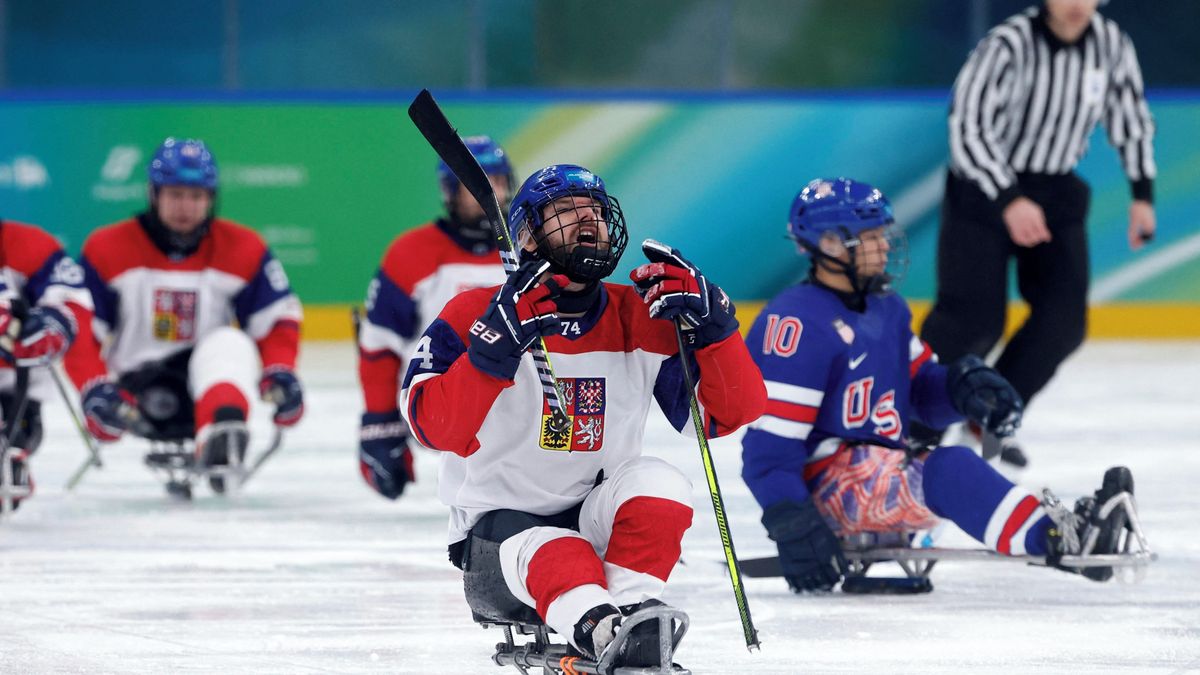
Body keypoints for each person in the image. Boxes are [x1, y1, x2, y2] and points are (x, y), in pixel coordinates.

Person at [399, 164, 766, 667]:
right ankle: (601, 626)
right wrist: (492, 351)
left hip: (595, 526)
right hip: (497, 545)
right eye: (566, 212)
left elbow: (727, 416)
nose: (587, 220)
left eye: (593, 209)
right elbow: (432, 428)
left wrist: (718, 329)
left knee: (661, 483)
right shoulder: (473, 314)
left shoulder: (638, 316)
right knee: (556, 548)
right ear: (526, 235)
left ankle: (629, 612)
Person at [741, 178, 1135, 593]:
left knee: (950, 467)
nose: (884, 246)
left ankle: (1058, 531)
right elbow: (769, 450)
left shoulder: (886, 306)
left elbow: (919, 391)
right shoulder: (795, 322)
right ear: (831, 244)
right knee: (949, 467)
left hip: (881, 466)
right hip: (824, 488)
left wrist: (962, 389)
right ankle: (1058, 538)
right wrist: (793, 522)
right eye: (871, 237)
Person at [919, 0, 1157, 466]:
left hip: (1055, 189)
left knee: (1063, 324)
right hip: (984, 189)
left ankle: (989, 413)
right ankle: (914, 428)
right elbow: (967, 126)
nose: (1075, 4)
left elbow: (1130, 119)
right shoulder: (1006, 45)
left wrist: (1142, 195)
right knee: (972, 322)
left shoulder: (1112, 45)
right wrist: (1008, 199)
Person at [77, 138, 304, 490]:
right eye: (175, 194)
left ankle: (220, 431)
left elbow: (276, 319)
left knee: (231, 340)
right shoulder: (107, 247)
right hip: (136, 393)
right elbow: (81, 328)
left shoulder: (243, 247)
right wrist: (93, 387)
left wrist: (280, 371)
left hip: (207, 380)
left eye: (197, 196)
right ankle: (219, 435)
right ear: (154, 194)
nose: (186, 206)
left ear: (211, 199)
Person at [356, 136, 512, 500]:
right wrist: (379, 424)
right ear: (450, 192)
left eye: (497, 181)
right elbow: (379, 345)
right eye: (475, 184)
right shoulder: (411, 253)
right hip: (439, 402)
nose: (489, 192)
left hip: (519, 406)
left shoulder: (530, 247)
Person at [0, 220, 107, 509]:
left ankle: (13, 447)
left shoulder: (31, 245)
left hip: (14, 387)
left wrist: (53, 323)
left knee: (19, 423)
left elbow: (73, 302)